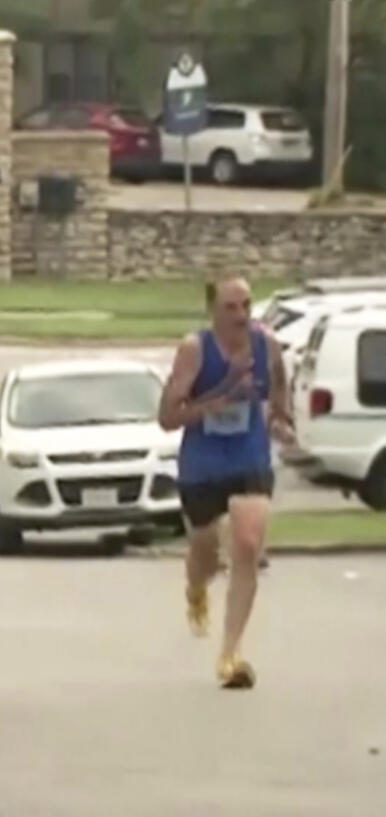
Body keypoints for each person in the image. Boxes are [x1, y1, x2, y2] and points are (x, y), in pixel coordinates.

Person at [158, 275, 293, 690]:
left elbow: (279, 383)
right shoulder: (195, 350)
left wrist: (280, 418)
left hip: (249, 455)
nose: (241, 316)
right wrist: (218, 396)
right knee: (205, 554)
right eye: (231, 308)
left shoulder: (264, 344)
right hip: (203, 463)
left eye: (246, 306)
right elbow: (167, 417)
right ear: (212, 311)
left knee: (249, 545)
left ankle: (230, 655)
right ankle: (196, 589)